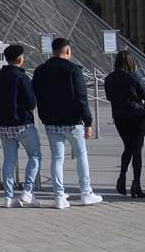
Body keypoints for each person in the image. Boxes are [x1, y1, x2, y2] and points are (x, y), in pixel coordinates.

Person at [32, 37, 101, 208]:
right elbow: (81, 97)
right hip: (73, 121)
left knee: (57, 158)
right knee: (81, 155)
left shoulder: (40, 70)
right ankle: (86, 193)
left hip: (51, 121)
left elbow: (35, 95)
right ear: (68, 51)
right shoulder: (73, 70)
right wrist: (88, 121)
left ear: (53, 51)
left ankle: (59, 197)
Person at [0, 44, 42, 208]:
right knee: (35, 155)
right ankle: (27, 192)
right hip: (23, 124)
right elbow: (31, 102)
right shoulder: (22, 77)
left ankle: (8, 197)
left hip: (3, 125)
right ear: (20, 59)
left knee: (9, 159)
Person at [104, 50, 145, 198]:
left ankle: (122, 176)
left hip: (119, 117)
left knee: (128, 147)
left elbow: (109, 96)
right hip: (136, 116)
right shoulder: (134, 76)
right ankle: (136, 185)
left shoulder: (109, 78)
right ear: (131, 62)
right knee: (136, 150)